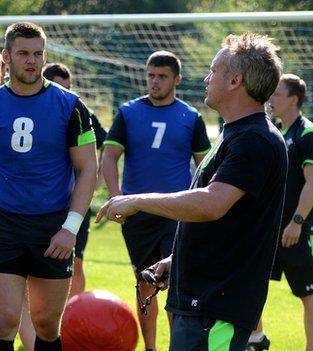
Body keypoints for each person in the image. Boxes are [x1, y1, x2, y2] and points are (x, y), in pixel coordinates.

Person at [96, 32, 286, 351]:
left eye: (213, 70)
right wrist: (176, 259)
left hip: (217, 306)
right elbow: (229, 222)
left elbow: (213, 203)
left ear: (235, 81)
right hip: (201, 302)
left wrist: (138, 200)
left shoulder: (254, 139)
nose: (206, 78)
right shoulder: (233, 135)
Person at [0, 22, 98, 351]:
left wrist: (70, 228)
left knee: (46, 324)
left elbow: (88, 168)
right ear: (7, 57)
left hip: (52, 226)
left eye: (37, 54)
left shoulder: (71, 106)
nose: (31, 61)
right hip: (3, 225)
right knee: (3, 322)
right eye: (23, 54)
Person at [99, 50, 211, 351]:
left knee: (177, 282)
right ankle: (150, 348)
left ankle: (180, 346)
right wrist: (116, 197)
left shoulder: (191, 117)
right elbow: (108, 157)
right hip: (138, 215)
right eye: (150, 75)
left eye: (162, 76)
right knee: (145, 282)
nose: (154, 82)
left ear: (177, 79)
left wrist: (199, 202)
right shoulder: (128, 112)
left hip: (177, 213)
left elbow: (206, 166)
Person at [247, 74, 313, 351]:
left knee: (309, 293)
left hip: (296, 231)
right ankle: (256, 338)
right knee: (252, 283)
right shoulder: (276, 132)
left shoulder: (308, 134)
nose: (271, 99)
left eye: (277, 94)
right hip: (270, 229)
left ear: (293, 99)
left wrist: (297, 222)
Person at [41, 62, 107, 298]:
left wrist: (96, 179)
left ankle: (71, 321)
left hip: (75, 204)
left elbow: (106, 144)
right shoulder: (33, 110)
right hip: (41, 204)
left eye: (69, 87)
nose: (66, 93)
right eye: (61, 88)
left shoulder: (80, 111)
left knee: (75, 262)